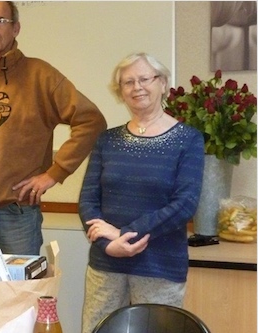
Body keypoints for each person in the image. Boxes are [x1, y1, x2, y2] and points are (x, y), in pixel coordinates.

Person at [0, 1, 106, 259]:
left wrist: (53, 174)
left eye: (1, 21)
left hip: (17, 215)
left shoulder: (39, 75)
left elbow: (91, 120)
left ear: (16, 28)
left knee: (20, 295)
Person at [78, 53, 205, 333]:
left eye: (145, 79)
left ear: (163, 83)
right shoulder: (107, 140)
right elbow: (88, 200)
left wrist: (123, 234)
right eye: (128, 82)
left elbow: (185, 204)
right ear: (120, 92)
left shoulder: (188, 139)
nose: (137, 87)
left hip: (159, 265)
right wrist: (109, 243)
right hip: (106, 262)